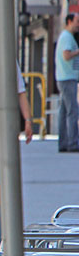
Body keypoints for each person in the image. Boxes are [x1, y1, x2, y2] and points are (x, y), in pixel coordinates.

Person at [55, 13, 79, 152]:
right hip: (67, 77)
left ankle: (64, 143)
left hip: (65, 77)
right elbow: (66, 55)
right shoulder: (67, 37)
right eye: (77, 21)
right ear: (69, 21)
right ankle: (72, 143)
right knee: (72, 111)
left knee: (65, 111)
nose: (78, 24)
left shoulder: (66, 37)